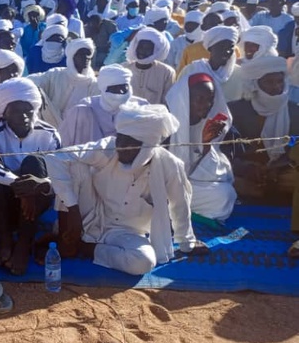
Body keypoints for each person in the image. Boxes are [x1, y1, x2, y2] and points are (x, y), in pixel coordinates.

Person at [44, 104, 209, 276]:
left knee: (143, 262)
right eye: (120, 138)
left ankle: (81, 246)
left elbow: (179, 204)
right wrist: (73, 211)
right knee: (74, 167)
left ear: (147, 145)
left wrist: (186, 243)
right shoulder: (109, 148)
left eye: (130, 142)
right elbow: (56, 158)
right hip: (92, 214)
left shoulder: (170, 165)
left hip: (127, 232)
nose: (121, 146)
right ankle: (67, 235)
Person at [0, 78, 60, 275]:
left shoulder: (49, 134)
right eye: (16, 110)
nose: (24, 116)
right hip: (2, 199)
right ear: (4, 111)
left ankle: (24, 244)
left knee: (34, 162)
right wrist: (16, 183)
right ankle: (6, 239)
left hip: (36, 201)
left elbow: (63, 173)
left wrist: (39, 185)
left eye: (28, 110)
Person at [165, 70, 237, 221]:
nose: (206, 105)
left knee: (224, 194)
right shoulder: (165, 124)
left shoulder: (213, 126)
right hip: (164, 185)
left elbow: (214, 175)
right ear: (185, 98)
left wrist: (207, 144)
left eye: (210, 99)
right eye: (200, 99)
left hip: (191, 185)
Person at [227, 56, 299, 202]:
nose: (276, 87)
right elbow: (225, 150)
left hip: (281, 172)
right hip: (244, 173)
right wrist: (245, 167)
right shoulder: (236, 110)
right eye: (269, 82)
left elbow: (296, 149)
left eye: (279, 81)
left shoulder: (294, 111)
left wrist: (279, 167)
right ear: (255, 84)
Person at [29, 38, 98, 127]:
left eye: (88, 54)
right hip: (51, 124)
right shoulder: (56, 74)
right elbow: (35, 81)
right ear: (72, 56)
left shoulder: (93, 83)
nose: (85, 57)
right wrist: (37, 92)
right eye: (80, 54)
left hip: (79, 129)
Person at [123, 27, 176, 105]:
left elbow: (168, 102)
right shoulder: (124, 69)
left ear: (155, 51)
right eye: (140, 47)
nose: (142, 51)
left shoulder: (166, 72)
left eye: (148, 48)